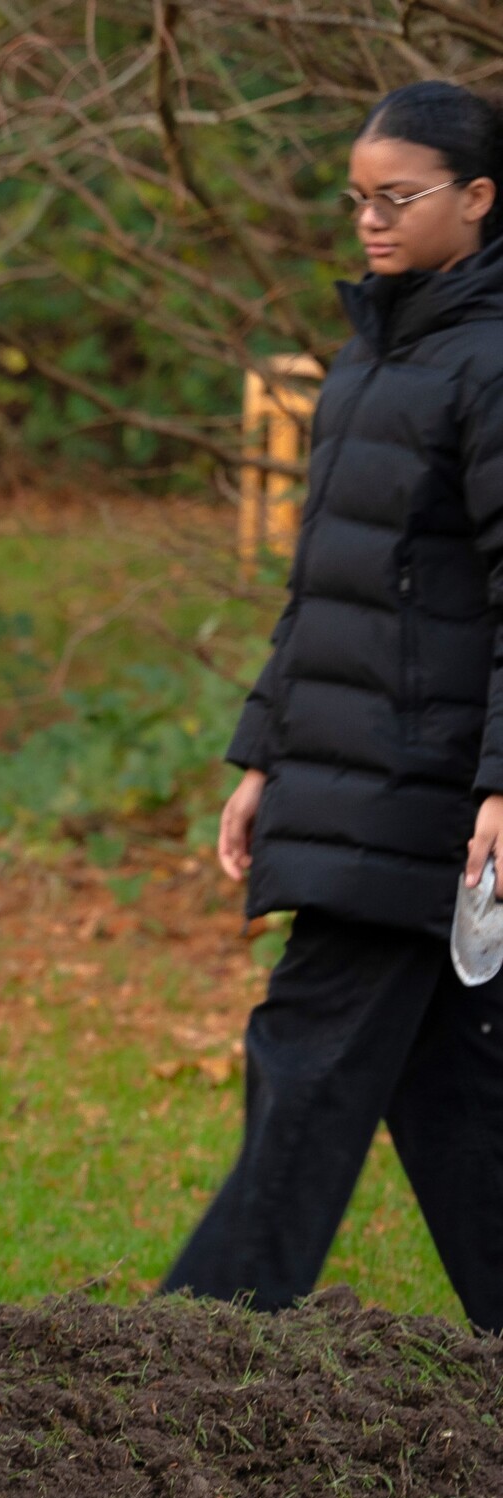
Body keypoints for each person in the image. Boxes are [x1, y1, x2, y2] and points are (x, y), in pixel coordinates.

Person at [167, 81, 503, 1332]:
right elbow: (330, 582)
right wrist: (263, 754)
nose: (368, 220)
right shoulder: (374, 352)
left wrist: (498, 783)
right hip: (347, 766)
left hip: (423, 789)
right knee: (456, 1089)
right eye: (357, 196)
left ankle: (190, 1349)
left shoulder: (488, 360)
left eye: (396, 198)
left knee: (307, 1063)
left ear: (477, 199)